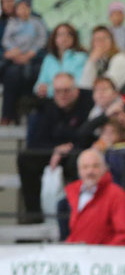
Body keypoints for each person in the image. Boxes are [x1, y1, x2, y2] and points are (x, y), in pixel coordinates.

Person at [17, 73, 93, 223]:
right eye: (58, 91)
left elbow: (87, 136)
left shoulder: (87, 102)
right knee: (26, 158)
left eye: (66, 90)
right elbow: (36, 142)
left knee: (80, 160)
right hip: (53, 154)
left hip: (78, 153)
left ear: (76, 90)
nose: (62, 95)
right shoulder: (47, 107)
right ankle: (34, 216)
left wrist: (69, 148)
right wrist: (56, 149)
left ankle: (81, 216)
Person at [59, 148, 125, 245]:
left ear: (105, 168)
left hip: (104, 257)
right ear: (79, 170)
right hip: (79, 255)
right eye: (85, 167)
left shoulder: (117, 195)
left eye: (95, 166)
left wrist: (102, 255)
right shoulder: (73, 193)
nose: (90, 171)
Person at [1, 0, 45, 124]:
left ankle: (28, 114)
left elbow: (42, 39)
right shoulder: (12, 23)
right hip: (14, 58)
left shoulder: (36, 22)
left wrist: (31, 53)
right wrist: (14, 52)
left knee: (29, 77)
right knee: (11, 76)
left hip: (32, 58)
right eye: (20, 8)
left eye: (25, 8)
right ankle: (8, 115)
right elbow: (6, 40)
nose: (23, 11)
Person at [34, 23, 87, 98]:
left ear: (74, 38)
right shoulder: (49, 59)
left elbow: (78, 84)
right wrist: (39, 89)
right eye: (60, 35)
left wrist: (49, 90)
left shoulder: (81, 57)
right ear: (54, 38)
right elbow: (39, 83)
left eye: (68, 34)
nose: (64, 38)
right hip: (49, 100)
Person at [78, 25, 125, 94]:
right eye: (97, 40)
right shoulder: (98, 61)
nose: (101, 42)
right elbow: (84, 86)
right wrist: (91, 62)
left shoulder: (121, 58)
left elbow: (106, 87)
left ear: (112, 41)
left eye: (104, 38)